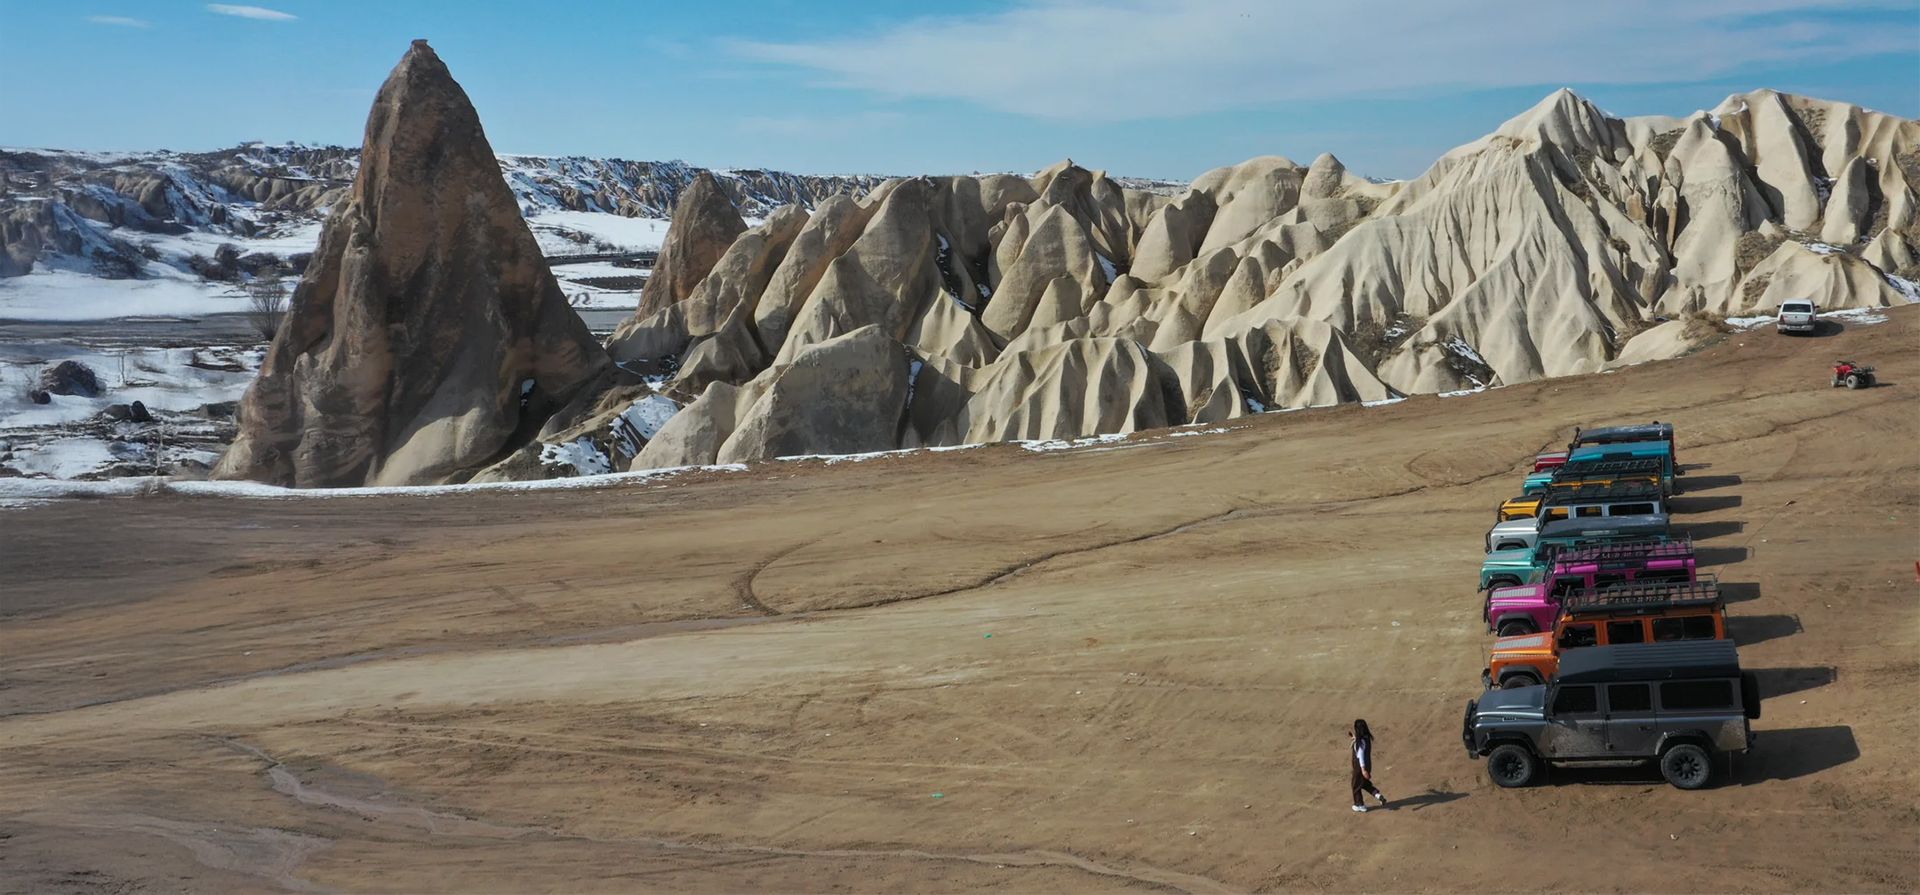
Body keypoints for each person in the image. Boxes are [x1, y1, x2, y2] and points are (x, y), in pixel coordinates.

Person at [1349, 719, 1386, 812]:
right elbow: (1362, 744)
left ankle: (1360, 805)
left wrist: (1363, 770)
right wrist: (1355, 738)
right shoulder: (1366, 738)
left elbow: (1360, 755)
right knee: (1364, 784)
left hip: (1360, 768)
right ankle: (1378, 795)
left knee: (1355, 785)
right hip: (1368, 765)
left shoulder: (1359, 742)